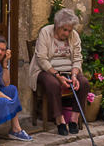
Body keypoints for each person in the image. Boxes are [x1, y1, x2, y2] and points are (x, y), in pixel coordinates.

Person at [29, 7, 90, 137]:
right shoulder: (45, 32)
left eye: (70, 30)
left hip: (68, 69)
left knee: (83, 83)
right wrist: (57, 75)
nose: (67, 33)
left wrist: (74, 75)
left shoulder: (74, 36)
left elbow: (78, 58)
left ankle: (73, 119)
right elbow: (42, 59)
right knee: (53, 84)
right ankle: (60, 120)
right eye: (65, 30)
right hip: (46, 69)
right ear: (57, 26)